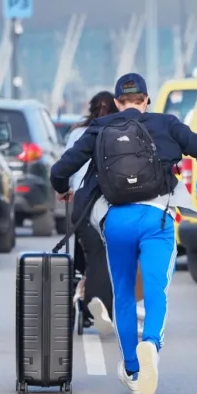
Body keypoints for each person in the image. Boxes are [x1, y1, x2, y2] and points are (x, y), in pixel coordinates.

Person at [50, 72, 197, 394]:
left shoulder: (101, 128)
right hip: (156, 219)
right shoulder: (167, 123)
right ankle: (151, 344)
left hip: (117, 220)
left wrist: (62, 191)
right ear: (146, 100)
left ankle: (131, 368)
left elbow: (61, 169)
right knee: (157, 288)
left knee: (124, 292)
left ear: (117, 103)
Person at [67, 90, 117, 335]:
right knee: (111, 254)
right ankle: (108, 306)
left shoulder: (78, 133)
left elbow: (66, 167)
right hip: (115, 202)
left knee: (91, 253)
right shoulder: (121, 131)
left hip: (82, 202)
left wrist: (63, 188)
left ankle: (88, 303)